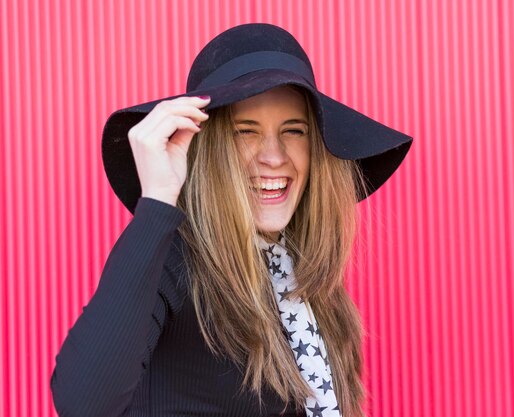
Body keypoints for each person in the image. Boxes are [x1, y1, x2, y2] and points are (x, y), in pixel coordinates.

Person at [50, 23, 412, 417]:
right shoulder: (175, 258)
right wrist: (157, 201)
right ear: (209, 149)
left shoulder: (302, 280)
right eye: (245, 131)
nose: (273, 157)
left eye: (294, 130)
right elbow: (83, 403)